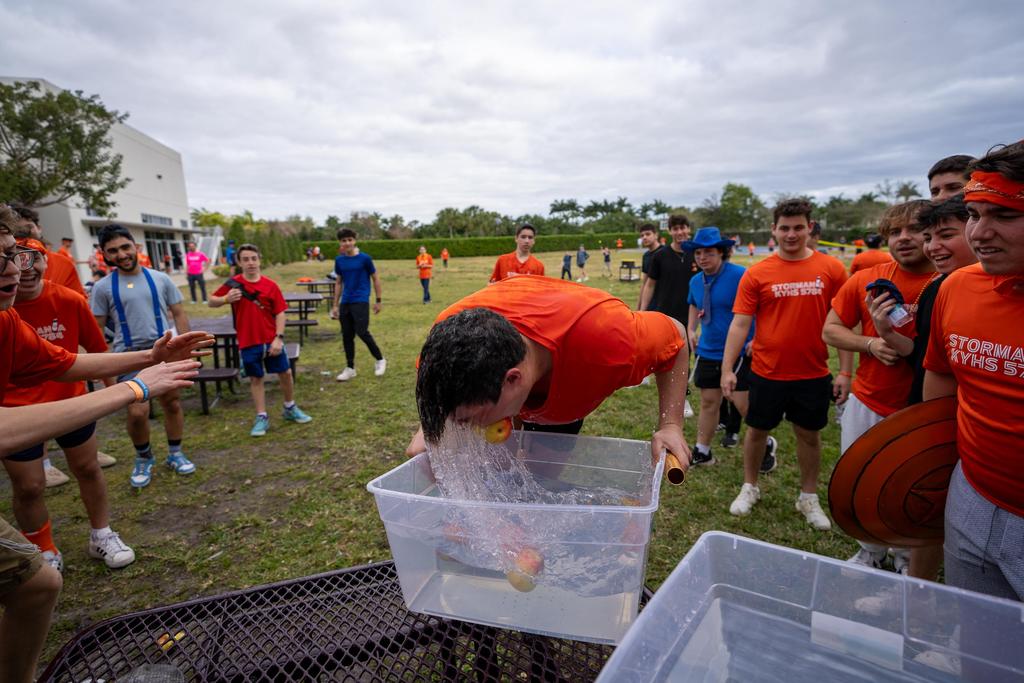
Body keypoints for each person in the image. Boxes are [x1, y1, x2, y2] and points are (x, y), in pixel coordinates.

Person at [0, 205, 208, 683]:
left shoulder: (7, 320)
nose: (14, 270)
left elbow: (64, 361)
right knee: (35, 557)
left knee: (37, 585)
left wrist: (150, 357)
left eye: (15, 255)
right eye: (3, 259)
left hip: (68, 411)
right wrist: (134, 387)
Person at [405, 277, 691, 466]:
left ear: (513, 379)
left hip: (571, 372)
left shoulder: (609, 342)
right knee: (500, 470)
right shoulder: (448, 336)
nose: (462, 426)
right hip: (518, 361)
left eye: (469, 419)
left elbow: (676, 335)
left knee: (541, 475)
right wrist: (428, 429)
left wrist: (671, 425)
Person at [923, 141, 1024, 601]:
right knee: (975, 632)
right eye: (973, 214)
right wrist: (933, 461)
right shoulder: (958, 287)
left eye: (1004, 215)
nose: (979, 233)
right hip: (970, 492)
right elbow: (942, 376)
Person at [3, 238, 136, 573]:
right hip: (17, 410)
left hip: (71, 403)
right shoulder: (7, 312)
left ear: (48, 262)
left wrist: (120, 392)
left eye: (33, 259)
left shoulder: (69, 300)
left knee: (88, 468)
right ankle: (42, 548)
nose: (23, 269)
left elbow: (92, 351)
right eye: (13, 259)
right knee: (30, 485)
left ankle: (101, 534)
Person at [822, 200, 937, 573]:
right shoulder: (867, 279)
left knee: (912, 487)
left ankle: (906, 558)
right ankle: (870, 550)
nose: (904, 238)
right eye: (894, 231)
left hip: (924, 407)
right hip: (869, 399)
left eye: (914, 229)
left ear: (932, 232)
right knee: (861, 480)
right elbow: (831, 330)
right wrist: (870, 344)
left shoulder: (949, 280)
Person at [721, 199, 849, 530]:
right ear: (774, 230)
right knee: (756, 431)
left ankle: (808, 496)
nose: (791, 234)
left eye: (798, 227)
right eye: (785, 228)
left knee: (809, 435)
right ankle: (750, 486)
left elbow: (845, 322)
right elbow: (740, 324)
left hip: (812, 372)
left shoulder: (832, 269)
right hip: (767, 372)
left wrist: (846, 371)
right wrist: (727, 368)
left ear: (810, 228)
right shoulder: (757, 273)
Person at [91, 224, 199, 488]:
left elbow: (179, 313)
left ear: (135, 247)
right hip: (129, 356)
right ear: (104, 254)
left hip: (165, 351)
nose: (121, 254)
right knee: (138, 411)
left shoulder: (161, 279)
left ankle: (175, 453)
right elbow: (96, 330)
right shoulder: (102, 288)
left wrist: (187, 348)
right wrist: (102, 368)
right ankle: (143, 457)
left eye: (125, 247)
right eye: (113, 251)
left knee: (172, 403)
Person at [683, 228, 769, 466]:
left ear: (721, 252)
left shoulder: (741, 275)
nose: (702, 257)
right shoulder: (695, 281)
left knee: (742, 404)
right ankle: (703, 450)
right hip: (708, 350)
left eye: (709, 252)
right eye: (698, 253)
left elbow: (762, 308)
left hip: (739, 351)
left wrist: (757, 338)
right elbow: (693, 304)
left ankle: (766, 444)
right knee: (709, 402)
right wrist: (691, 329)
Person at [209, 243, 313, 436]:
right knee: (256, 378)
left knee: (285, 372)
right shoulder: (233, 284)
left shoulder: (270, 286)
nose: (250, 263)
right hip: (248, 340)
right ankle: (261, 416)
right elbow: (211, 301)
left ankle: (290, 407)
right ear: (239, 262)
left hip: (271, 339)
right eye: (246, 259)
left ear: (259, 260)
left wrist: (278, 338)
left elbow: (280, 313)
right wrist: (225, 299)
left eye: (253, 259)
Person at [331, 228, 386, 381]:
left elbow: (375, 279)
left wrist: (378, 301)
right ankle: (350, 368)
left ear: (354, 241)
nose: (347, 243)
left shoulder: (365, 259)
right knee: (347, 335)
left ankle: (380, 359)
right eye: (344, 240)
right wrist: (335, 305)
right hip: (345, 301)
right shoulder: (339, 260)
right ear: (340, 243)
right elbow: (339, 282)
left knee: (362, 331)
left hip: (361, 300)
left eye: (350, 239)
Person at [9, 205, 87, 298]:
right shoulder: (4, 265)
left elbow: (78, 301)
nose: (23, 232)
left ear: (39, 228)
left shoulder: (64, 263)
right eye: (16, 229)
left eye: (28, 227)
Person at [640, 215, 697, 323]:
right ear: (669, 231)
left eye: (682, 228)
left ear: (688, 229)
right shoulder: (660, 256)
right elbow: (650, 285)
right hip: (664, 314)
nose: (679, 232)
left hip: (689, 313)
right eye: (675, 229)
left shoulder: (697, 255)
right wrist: (642, 311)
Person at [637, 223, 662, 310]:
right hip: (650, 302)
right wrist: (639, 307)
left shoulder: (665, 253)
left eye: (648, 234)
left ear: (656, 235)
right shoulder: (646, 256)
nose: (644, 237)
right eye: (642, 235)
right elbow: (645, 283)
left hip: (664, 303)